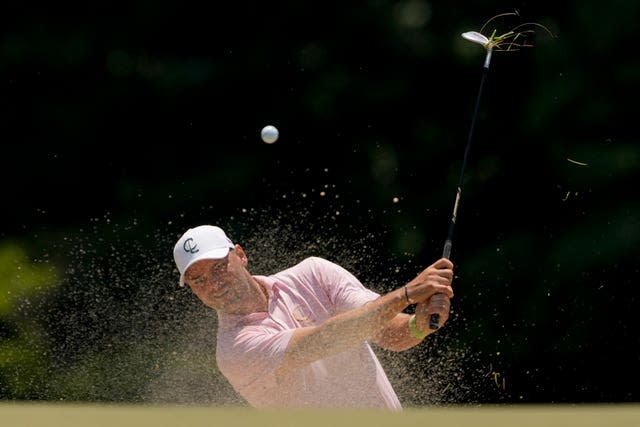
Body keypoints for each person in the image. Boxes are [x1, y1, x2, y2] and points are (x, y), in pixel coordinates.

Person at [173, 225, 454, 410]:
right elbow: (325, 339)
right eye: (198, 280)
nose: (213, 284)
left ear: (241, 255)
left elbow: (389, 333)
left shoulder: (313, 274)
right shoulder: (235, 350)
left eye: (219, 267)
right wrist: (406, 295)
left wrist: (418, 325)